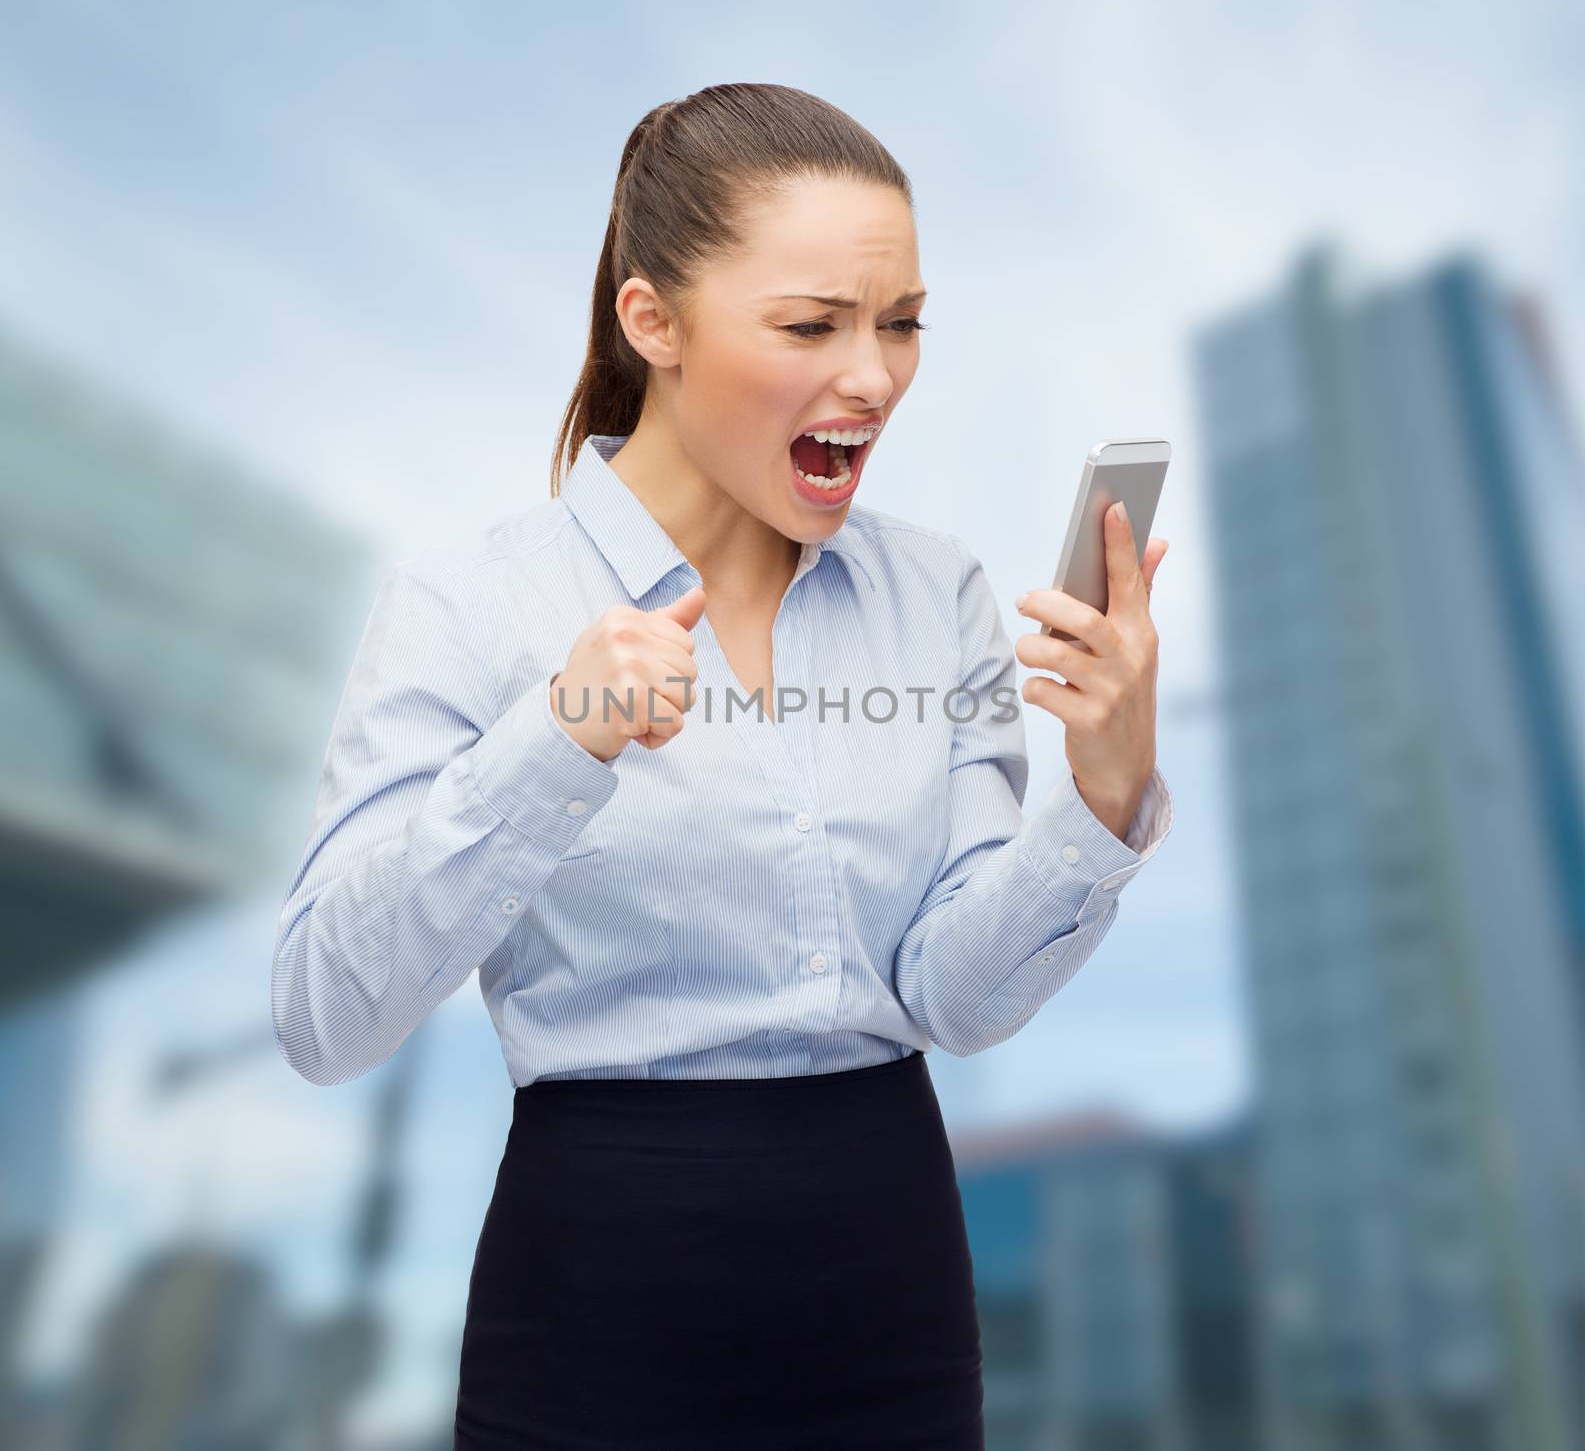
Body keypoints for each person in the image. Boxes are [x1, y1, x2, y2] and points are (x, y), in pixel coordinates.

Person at [271, 82, 1173, 1449]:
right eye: (812, 325)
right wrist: (554, 741)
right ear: (655, 322)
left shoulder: (938, 593)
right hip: (598, 1296)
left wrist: (1101, 791)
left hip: (893, 1285)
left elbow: (955, 995)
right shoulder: (477, 606)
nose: (872, 377)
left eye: (902, 323)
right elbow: (324, 1014)